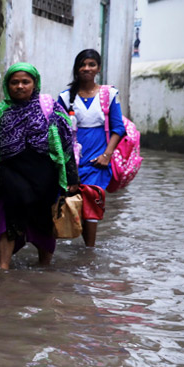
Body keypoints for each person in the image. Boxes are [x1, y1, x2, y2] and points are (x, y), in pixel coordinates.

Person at [0, 62, 78, 269]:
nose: (20, 86)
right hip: (11, 175)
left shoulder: (51, 108)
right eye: (14, 82)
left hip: (44, 176)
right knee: (7, 218)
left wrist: (72, 179)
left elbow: (66, 143)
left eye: (25, 82)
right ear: (7, 85)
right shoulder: (0, 113)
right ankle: (3, 269)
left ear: (34, 84)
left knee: (43, 222)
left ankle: (44, 266)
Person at [56, 49, 124, 247]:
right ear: (77, 68)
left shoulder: (109, 94)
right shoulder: (65, 97)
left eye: (91, 64)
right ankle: (78, 247)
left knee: (92, 200)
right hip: (73, 160)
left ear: (98, 68)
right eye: (82, 64)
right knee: (73, 200)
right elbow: (59, 131)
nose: (87, 68)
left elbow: (118, 128)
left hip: (98, 158)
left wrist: (107, 155)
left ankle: (89, 252)